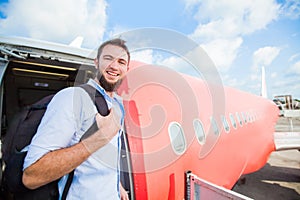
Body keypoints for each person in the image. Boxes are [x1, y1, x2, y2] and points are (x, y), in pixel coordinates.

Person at [22, 38, 130, 200]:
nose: (114, 66)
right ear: (96, 62)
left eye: (121, 62)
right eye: (108, 58)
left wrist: (117, 186)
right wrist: (97, 140)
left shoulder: (118, 105)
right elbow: (32, 176)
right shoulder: (72, 97)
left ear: (127, 68)